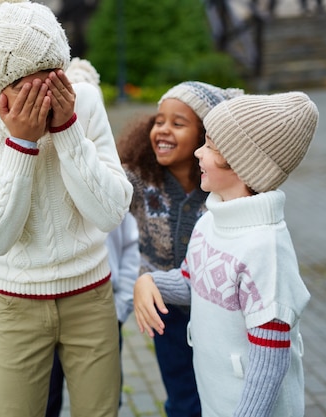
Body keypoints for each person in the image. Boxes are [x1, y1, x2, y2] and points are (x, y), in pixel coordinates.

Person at [0, 1, 133, 416]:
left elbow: (110, 213)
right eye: (27, 87)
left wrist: (68, 131)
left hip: (90, 296)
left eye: (52, 78)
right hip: (17, 304)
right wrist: (21, 145)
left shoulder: (83, 101)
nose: (45, 95)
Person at [133, 92, 318, 416]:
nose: (199, 153)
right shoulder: (209, 222)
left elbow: (269, 365)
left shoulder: (266, 251)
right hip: (215, 400)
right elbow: (195, 282)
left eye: (210, 146)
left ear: (242, 162)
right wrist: (151, 282)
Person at [117, 81, 243, 417]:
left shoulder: (222, 188)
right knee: (182, 398)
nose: (162, 130)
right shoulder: (141, 180)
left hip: (218, 313)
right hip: (167, 313)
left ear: (205, 135)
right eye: (159, 121)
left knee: (221, 395)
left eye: (178, 123)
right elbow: (101, 185)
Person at [45, 58, 140, 417]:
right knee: (46, 398)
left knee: (102, 400)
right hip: (48, 303)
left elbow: (131, 246)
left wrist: (120, 306)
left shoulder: (114, 178)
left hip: (101, 307)